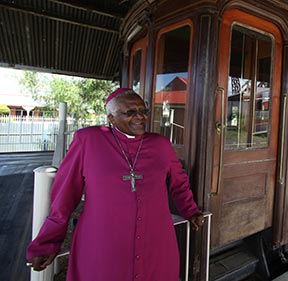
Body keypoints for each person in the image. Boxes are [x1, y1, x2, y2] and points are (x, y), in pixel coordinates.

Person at [26, 88, 204, 281]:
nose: (140, 117)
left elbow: (179, 183)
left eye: (143, 111)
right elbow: (65, 195)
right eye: (130, 112)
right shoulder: (88, 140)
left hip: (155, 240)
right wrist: (47, 242)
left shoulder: (160, 144)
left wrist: (190, 210)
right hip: (102, 243)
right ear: (111, 117)